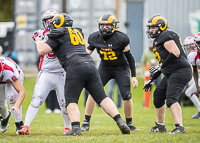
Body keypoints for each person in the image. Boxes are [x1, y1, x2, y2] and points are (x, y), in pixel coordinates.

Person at [34, 13, 130, 136]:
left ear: (57, 23)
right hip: (90, 64)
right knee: (102, 97)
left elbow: (42, 50)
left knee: (71, 101)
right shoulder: (77, 32)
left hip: (74, 66)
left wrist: (38, 41)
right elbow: (84, 47)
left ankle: (75, 128)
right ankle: (119, 120)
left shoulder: (57, 34)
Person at [81, 14, 139, 132]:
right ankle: (86, 122)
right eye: (103, 25)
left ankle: (130, 124)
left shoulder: (121, 38)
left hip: (121, 68)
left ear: (114, 26)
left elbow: (130, 58)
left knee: (126, 95)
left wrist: (133, 76)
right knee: (93, 92)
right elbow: (86, 55)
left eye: (107, 25)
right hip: (105, 68)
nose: (105, 28)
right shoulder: (94, 37)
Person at [18, 10, 71, 135]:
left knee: (64, 103)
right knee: (36, 100)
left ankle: (67, 127)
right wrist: (39, 41)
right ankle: (26, 126)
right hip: (46, 73)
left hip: (61, 73)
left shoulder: (65, 33)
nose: (50, 23)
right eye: (47, 21)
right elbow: (40, 45)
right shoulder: (41, 33)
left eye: (52, 20)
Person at [143, 15, 192, 134]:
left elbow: (175, 52)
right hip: (171, 72)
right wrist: (152, 79)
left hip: (180, 70)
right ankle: (160, 126)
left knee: (171, 99)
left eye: (153, 28)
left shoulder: (166, 35)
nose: (151, 30)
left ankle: (179, 127)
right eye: (150, 28)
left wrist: (161, 66)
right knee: (158, 96)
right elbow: (162, 63)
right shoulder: (157, 40)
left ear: (161, 26)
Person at [0, 56, 26, 134]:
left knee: (12, 97)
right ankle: (5, 117)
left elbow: (21, 91)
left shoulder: (9, 71)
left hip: (14, 76)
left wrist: (16, 106)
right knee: (0, 105)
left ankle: (19, 124)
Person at [187, 33, 200, 119]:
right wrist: (197, 85)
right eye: (199, 42)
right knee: (188, 92)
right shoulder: (194, 55)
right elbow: (194, 70)